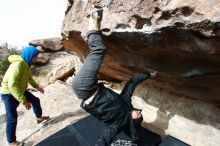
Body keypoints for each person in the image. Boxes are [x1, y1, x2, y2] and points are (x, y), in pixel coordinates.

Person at [72, 10, 157, 146]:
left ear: (134, 121)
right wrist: (148, 74)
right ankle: (94, 21)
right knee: (98, 50)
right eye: (140, 113)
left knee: (98, 49)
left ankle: (92, 17)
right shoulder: (125, 102)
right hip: (91, 86)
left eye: (138, 117)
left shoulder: (118, 123)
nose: (139, 113)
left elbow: (106, 138)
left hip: (84, 88)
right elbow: (131, 83)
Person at [0, 46, 49, 146]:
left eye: (36, 57)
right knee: (12, 117)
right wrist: (24, 101)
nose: (36, 59)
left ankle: (39, 118)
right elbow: (12, 85)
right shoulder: (18, 65)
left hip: (19, 89)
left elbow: (29, 78)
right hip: (8, 93)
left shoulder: (26, 65)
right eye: (34, 57)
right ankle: (12, 142)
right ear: (29, 55)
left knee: (35, 100)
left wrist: (37, 87)